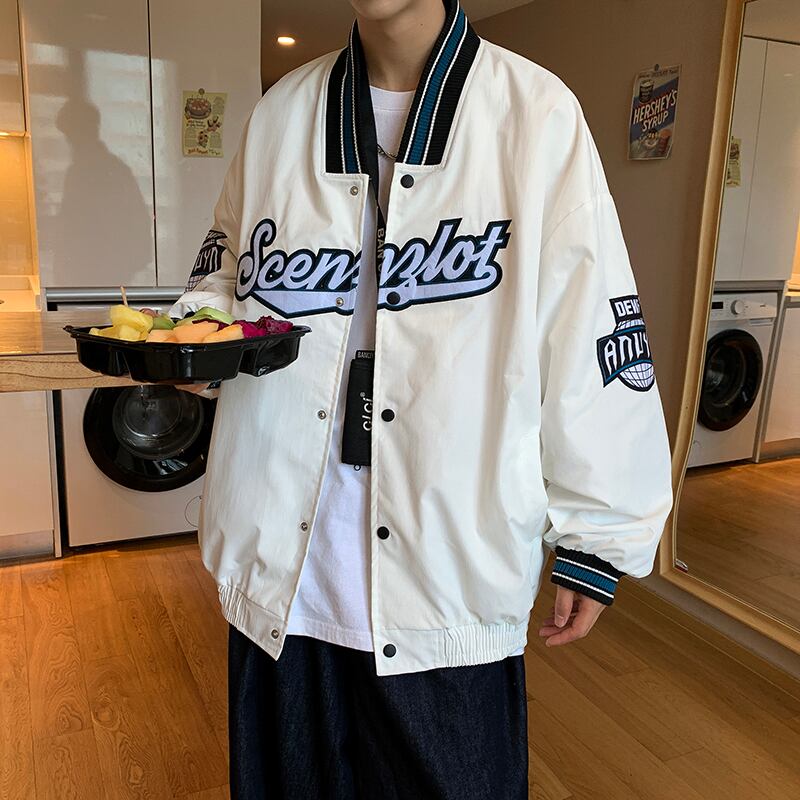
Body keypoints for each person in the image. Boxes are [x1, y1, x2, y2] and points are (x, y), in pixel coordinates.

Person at [168, 1, 673, 797]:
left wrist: (603, 534)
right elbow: (224, 275)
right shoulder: (280, 115)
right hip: (282, 580)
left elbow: (593, 330)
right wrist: (196, 336)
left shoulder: (535, 114)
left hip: (450, 580)